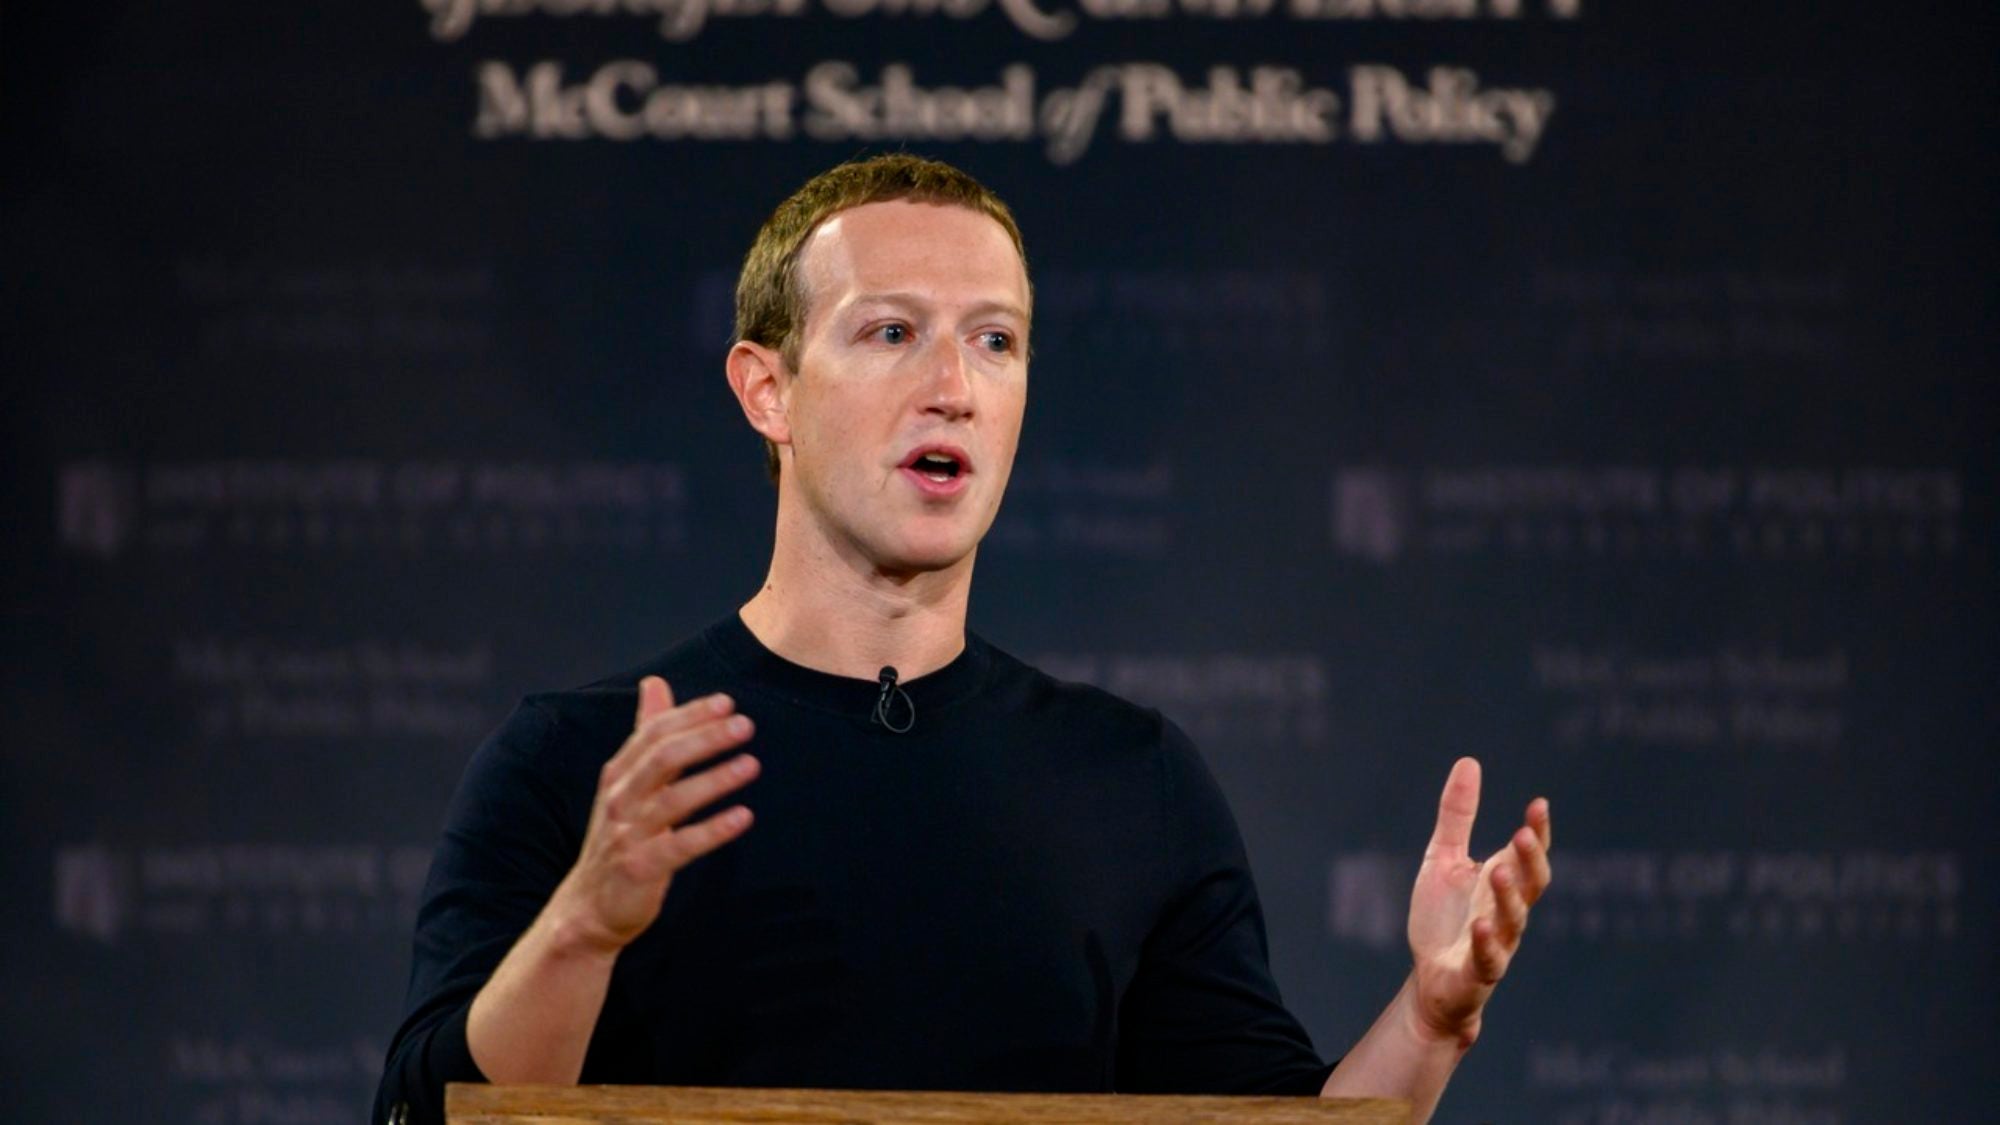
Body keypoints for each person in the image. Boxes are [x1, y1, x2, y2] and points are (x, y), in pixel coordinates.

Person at [375, 154, 1553, 1125]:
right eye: (890, 332)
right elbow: (426, 1117)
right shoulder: (581, 768)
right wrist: (583, 928)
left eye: (995, 341)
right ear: (765, 390)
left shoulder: (1129, 779)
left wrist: (1430, 1022)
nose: (953, 386)